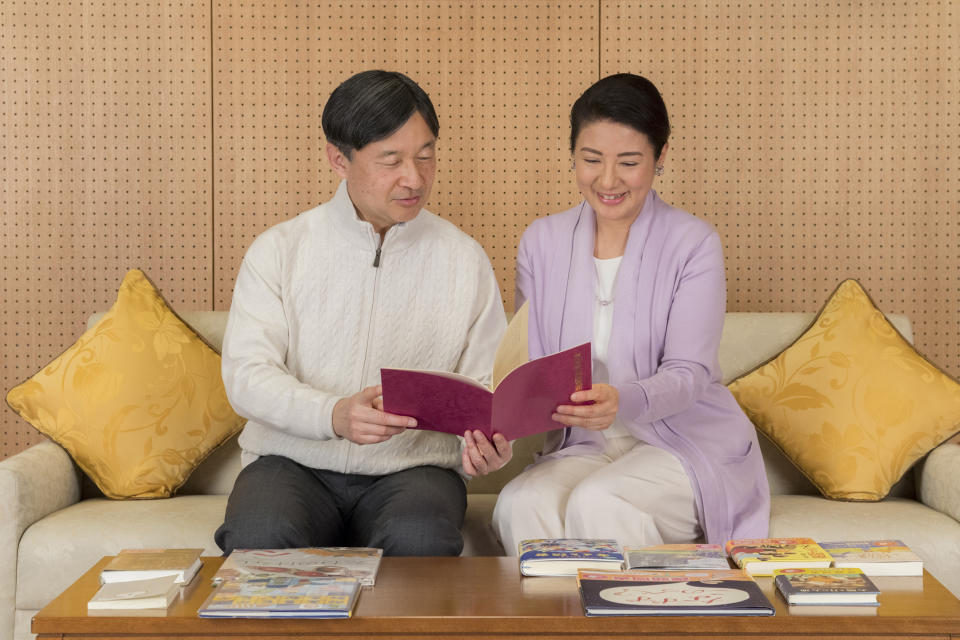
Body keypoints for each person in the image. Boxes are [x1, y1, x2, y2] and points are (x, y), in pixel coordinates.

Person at [216, 70, 512, 557]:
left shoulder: (464, 258)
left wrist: (484, 448)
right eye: (390, 161)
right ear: (339, 159)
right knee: (260, 538)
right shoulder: (280, 250)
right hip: (291, 465)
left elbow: (485, 383)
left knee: (419, 540)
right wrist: (331, 414)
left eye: (425, 155)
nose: (414, 178)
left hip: (415, 472)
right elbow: (247, 376)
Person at [493, 73, 769, 552]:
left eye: (629, 162)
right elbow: (530, 368)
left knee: (600, 502)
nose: (607, 180)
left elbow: (690, 372)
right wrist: (497, 420)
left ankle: (641, 623)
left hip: (681, 443)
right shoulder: (541, 241)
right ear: (573, 155)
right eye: (591, 160)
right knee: (519, 503)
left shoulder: (694, 243)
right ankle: (553, 629)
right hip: (584, 446)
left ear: (660, 158)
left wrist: (622, 399)